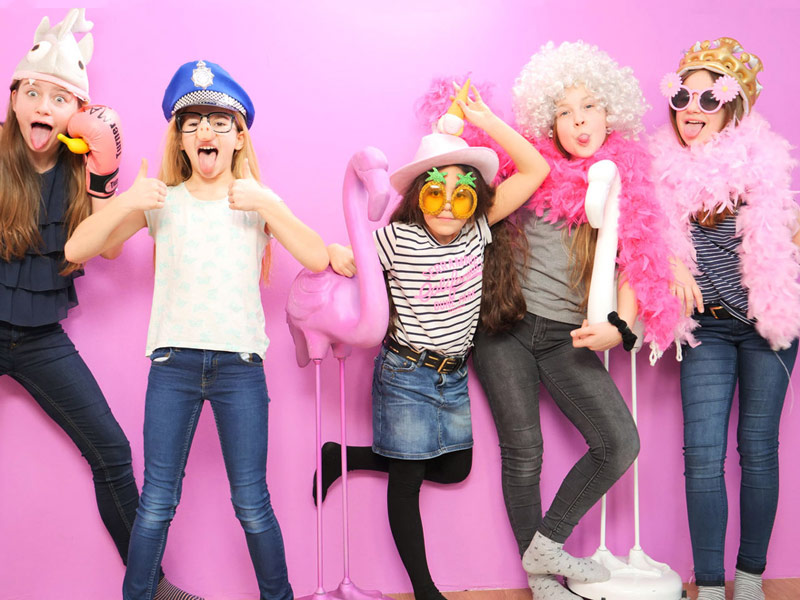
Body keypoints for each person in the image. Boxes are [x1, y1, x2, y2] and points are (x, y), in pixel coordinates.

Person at [65, 59, 329, 600]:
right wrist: (127, 200)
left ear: (237, 138)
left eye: (219, 122)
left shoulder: (255, 202)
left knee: (251, 502)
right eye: (192, 123)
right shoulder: (164, 201)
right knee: (158, 499)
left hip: (239, 369)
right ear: (181, 141)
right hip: (174, 367)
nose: (205, 131)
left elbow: (316, 256)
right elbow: (79, 249)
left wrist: (269, 204)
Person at [470, 41, 680, 599]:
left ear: (610, 112)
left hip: (570, 335)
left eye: (589, 106)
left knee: (619, 442)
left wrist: (622, 326)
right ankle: (543, 583)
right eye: (564, 110)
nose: (578, 120)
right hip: (506, 329)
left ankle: (546, 545)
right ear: (548, 120)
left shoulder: (622, 179)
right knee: (523, 451)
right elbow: (475, 213)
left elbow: (636, 256)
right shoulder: (528, 170)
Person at [0, 10, 198, 599]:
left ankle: (153, 587)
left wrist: (120, 193)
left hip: (38, 339)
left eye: (58, 98)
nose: (42, 104)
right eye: (31, 91)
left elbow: (101, 253)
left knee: (112, 451)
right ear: (15, 98)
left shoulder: (83, 166)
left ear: (75, 113)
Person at [323, 83, 549, 600]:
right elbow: (353, 258)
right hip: (405, 371)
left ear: (477, 200)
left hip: (453, 374)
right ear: (416, 194)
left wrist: (486, 122)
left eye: (462, 191)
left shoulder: (478, 230)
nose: (448, 205)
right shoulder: (396, 239)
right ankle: (426, 591)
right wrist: (337, 251)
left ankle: (350, 457)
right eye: (434, 191)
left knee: (455, 465)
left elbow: (535, 170)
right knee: (407, 481)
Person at [652, 37, 800, 600]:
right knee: (703, 454)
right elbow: (641, 234)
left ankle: (750, 579)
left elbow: (784, 243)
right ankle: (711, 587)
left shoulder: (764, 164)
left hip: (768, 324)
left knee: (759, 448)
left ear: (734, 108)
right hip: (707, 325)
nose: (692, 107)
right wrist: (668, 260)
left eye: (709, 99)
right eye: (683, 95)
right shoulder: (662, 172)